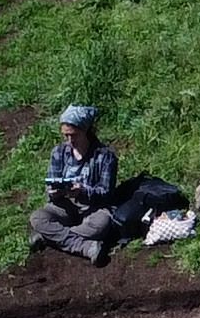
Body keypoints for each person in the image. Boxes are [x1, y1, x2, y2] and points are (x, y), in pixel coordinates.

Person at [31, 104, 179, 262]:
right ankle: (84, 247)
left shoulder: (105, 156)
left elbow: (106, 193)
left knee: (99, 226)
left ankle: (50, 236)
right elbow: (51, 182)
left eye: (73, 135)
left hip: (95, 208)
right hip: (65, 204)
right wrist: (54, 192)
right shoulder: (59, 152)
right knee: (37, 218)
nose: (69, 140)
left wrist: (82, 191)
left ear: (85, 131)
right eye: (66, 135)